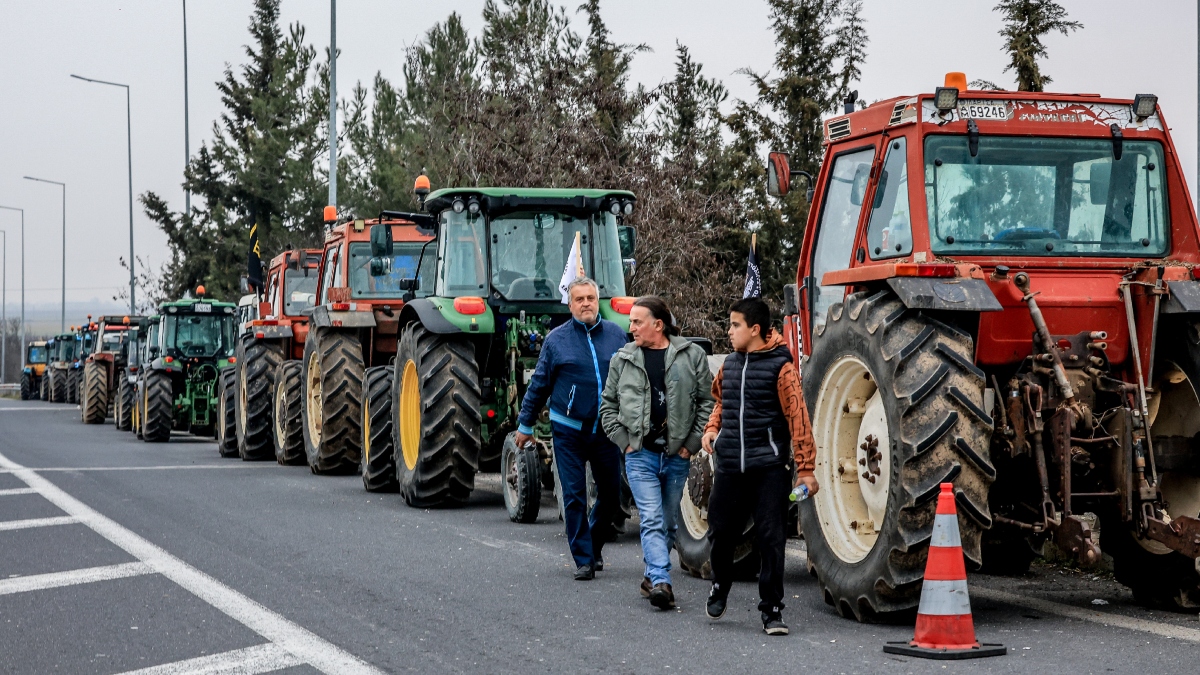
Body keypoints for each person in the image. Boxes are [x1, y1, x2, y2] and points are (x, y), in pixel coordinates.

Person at [701, 297, 818, 636]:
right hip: (730, 467)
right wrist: (711, 428)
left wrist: (806, 470)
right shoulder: (730, 364)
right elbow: (723, 401)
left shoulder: (782, 369)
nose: (729, 330)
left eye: (735, 325)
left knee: (771, 539)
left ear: (754, 329)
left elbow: (799, 419)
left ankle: (771, 610)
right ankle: (720, 585)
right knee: (721, 533)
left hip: (768, 469)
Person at [599, 296, 714, 610]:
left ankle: (651, 575)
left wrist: (690, 444)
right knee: (650, 519)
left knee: (667, 522)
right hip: (640, 455)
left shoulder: (691, 356)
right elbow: (607, 406)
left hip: (677, 456)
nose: (631, 327)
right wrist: (624, 441)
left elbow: (708, 402)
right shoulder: (623, 359)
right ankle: (662, 580)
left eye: (638, 321)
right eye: (631, 321)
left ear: (658, 325)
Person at [514, 277, 628, 580]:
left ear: (598, 299)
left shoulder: (617, 336)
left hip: (606, 429)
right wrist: (525, 425)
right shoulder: (556, 341)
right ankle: (584, 560)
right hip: (569, 431)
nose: (586, 303)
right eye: (580, 299)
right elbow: (539, 384)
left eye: (591, 298)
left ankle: (593, 545)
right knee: (575, 495)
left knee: (611, 494)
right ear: (570, 304)